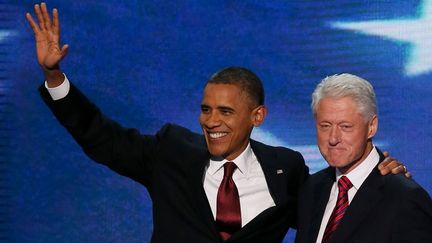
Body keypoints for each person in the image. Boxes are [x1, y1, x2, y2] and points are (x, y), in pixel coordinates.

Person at [26, 3, 407, 242]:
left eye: (225, 112)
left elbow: (335, 207)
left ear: (257, 116)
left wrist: (380, 171)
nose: (211, 121)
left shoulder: (285, 169)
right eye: (206, 109)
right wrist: (56, 77)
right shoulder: (171, 151)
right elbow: (99, 137)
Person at [295, 73, 432, 243]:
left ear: (372, 126)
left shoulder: (404, 198)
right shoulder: (311, 189)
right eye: (325, 126)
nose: (333, 138)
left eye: (345, 126)